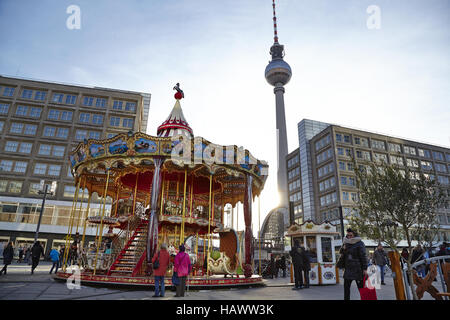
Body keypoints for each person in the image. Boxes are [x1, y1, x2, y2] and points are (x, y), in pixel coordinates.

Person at [340, 228, 368, 300]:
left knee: (361, 288)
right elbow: (341, 253)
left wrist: (365, 268)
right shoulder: (346, 242)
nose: (349, 237)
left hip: (357, 269)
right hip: (348, 268)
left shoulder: (359, 243)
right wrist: (343, 248)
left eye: (351, 235)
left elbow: (363, 256)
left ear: (354, 235)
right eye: (348, 235)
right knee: (346, 288)